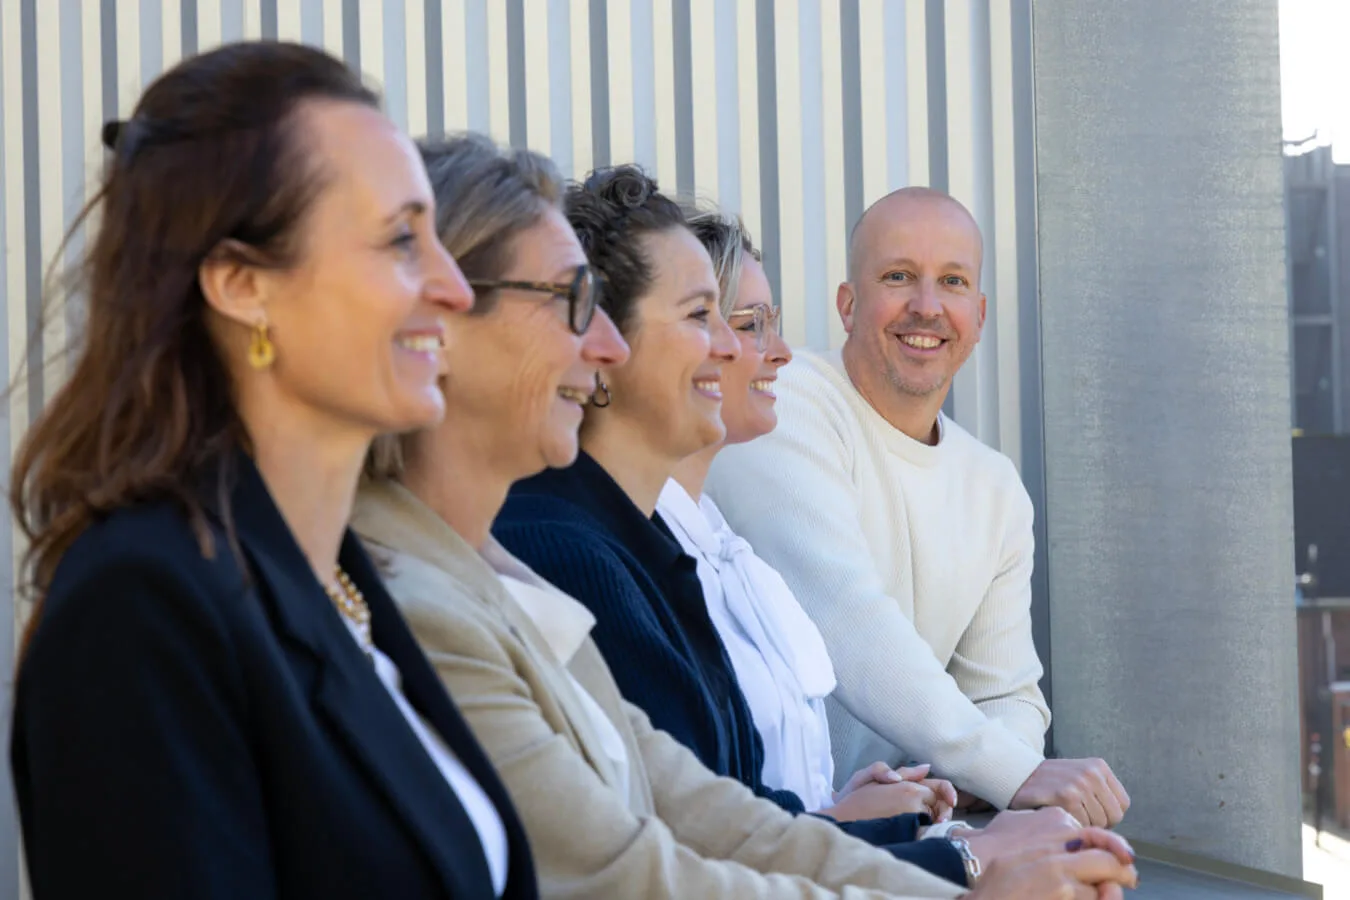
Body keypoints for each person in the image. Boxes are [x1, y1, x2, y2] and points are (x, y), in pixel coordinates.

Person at [354, 135, 1139, 899]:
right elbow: (640, 867)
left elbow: (713, 813)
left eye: (955, 282)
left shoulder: (534, 562)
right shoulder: (545, 554)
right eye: (569, 303)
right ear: (434, 320)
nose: (593, 344)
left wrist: (973, 846)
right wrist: (967, 868)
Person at [9, 43, 536, 899]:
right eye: (401, 239)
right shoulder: (143, 607)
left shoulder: (339, 581)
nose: (452, 286)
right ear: (240, 284)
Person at [705, 187, 1130, 828]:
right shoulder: (783, 407)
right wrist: (1010, 773)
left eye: (952, 282)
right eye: (898, 276)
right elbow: (847, 621)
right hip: (766, 837)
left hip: (904, 832)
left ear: (979, 315)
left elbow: (1003, 689)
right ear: (849, 305)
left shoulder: (995, 487)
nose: (926, 307)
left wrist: (972, 780)